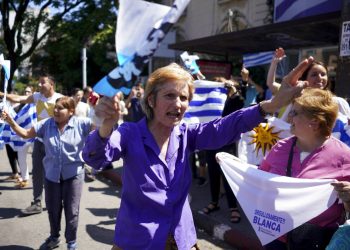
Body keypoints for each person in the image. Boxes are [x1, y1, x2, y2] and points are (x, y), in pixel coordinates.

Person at [82, 60, 309, 249]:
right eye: (170, 96)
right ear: (151, 100)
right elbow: (95, 158)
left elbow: (225, 127)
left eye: (184, 97)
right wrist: (104, 127)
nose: (179, 104)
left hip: (182, 240)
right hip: (138, 241)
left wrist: (270, 105)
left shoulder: (187, 134)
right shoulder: (129, 133)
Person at [260, 88, 350, 250]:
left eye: (295, 113)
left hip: (316, 241)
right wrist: (231, 165)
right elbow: (260, 181)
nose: (288, 117)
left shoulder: (344, 156)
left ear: (314, 122)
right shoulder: (280, 148)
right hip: (275, 237)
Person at [2, 96, 94, 250]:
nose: (56, 110)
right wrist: (10, 121)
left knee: (72, 211)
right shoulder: (46, 124)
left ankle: (71, 242)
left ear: (71, 111)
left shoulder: (81, 123)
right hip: (51, 175)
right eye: (55, 107)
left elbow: (101, 128)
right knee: (53, 209)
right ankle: (54, 237)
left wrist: (105, 111)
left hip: (74, 175)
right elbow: (25, 134)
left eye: (60, 108)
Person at [0, 75, 63, 215]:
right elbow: (19, 98)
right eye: (39, 82)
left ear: (51, 84)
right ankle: (37, 202)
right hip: (39, 142)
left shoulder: (60, 99)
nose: (39, 85)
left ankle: (56, 201)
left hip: (55, 144)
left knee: (55, 174)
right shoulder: (37, 96)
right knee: (37, 173)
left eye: (42, 82)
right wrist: (3, 94)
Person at [202, 78, 245, 223]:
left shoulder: (232, 101)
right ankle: (214, 202)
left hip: (227, 146)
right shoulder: (210, 104)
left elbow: (240, 104)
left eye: (224, 88)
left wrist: (233, 91)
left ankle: (233, 207)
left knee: (228, 177)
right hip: (210, 144)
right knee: (212, 174)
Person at [267, 47, 350, 120]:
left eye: (323, 74)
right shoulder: (294, 95)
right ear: (304, 78)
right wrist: (274, 62)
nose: (320, 78)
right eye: (314, 75)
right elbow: (271, 84)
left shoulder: (337, 102)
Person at [14, 85, 36, 188]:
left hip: (34, 135)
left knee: (38, 158)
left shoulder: (37, 104)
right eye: (25, 92)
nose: (26, 94)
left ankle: (41, 179)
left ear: (32, 93)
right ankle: (25, 178)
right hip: (22, 136)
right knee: (21, 157)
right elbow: (15, 117)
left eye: (28, 92)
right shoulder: (20, 105)